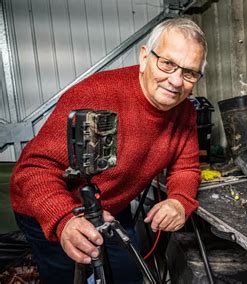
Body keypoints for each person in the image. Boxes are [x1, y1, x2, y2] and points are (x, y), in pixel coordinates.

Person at [9, 16, 207, 283]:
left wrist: (179, 201)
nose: (175, 81)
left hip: (110, 205)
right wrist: (64, 220)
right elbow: (34, 170)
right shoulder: (97, 95)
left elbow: (186, 166)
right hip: (51, 206)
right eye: (168, 63)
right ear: (145, 57)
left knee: (127, 273)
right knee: (65, 275)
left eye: (189, 72)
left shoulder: (184, 111)